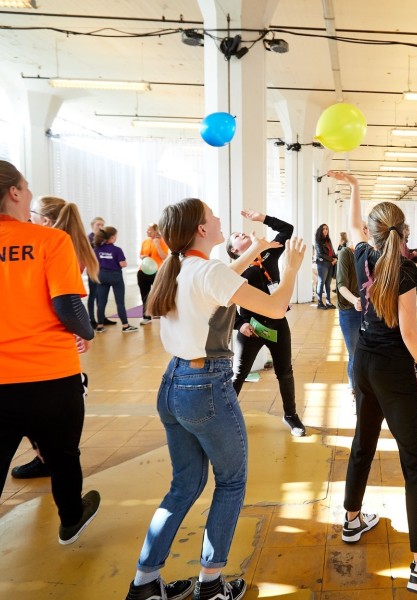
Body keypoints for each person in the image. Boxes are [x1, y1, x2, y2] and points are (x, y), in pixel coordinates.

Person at [123, 197, 306, 600]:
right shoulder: (206, 270)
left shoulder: (180, 267)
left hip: (173, 384)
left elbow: (221, 280)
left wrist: (255, 252)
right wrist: (291, 271)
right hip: (205, 385)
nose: (221, 218)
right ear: (202, 230)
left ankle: (145, 583)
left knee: (184, 486)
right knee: (231, 482)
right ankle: (210, 585)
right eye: (212, 215)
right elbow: (275, 307)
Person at [327, 170, 417, 597]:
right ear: (402, 231)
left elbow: (352, 226)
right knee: (416, 463)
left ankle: (351, 519)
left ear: (373, 230)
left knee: (363, 444)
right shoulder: (404, 269)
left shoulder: (363, 250)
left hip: (363, 362)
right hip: (396, 373)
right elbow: (409, 332)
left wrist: (354, 186)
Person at [0, 160, 100, 546]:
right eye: (25, 187)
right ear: (13, 192)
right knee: (62, 456)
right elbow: (68, 308)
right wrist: (87, 332)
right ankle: (71, 520)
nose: (27, 194)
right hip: (50, 375)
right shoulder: (49, 241)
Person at [11, 195, 100, 481]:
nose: (28, 216)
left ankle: (47, 461)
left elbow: (66, 302)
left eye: (33, 212)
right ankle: (47, 461)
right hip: (51, 347)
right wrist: (82, 331)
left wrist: (83, 330)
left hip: (41, 349)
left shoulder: (51, 244)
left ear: (46, 220)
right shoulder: (59, 244)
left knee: (36, 410)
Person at [226, 209, 306, 437]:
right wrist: (240, 324)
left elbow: (286, 230)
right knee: (239, 373)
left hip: (277, 322)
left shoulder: (269, 254)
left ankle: (291, 416)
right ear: (234, 251)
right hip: (251, 328)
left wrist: (262, 218)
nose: (244, 235)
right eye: (238, 237)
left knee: (285, 372)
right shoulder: (237, 270)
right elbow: (226, 304)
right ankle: (226, 416)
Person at [335, 221, 368, 409]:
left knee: (367, 353)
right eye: (361, 228)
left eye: (366, 229)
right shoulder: (346, 253)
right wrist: (355, 300)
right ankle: (355, 391)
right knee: (355, 354)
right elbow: (341, 286)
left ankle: (365, 390)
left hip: (368, 311)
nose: (364, 231)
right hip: (349, 311)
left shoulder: (371, 253)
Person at [93, 226, 137, 333]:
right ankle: (125, 326)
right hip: (115, 277)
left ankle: (100, 325)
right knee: (120, 303)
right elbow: (123, 264)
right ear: (112, 237)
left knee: (101, 303)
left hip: (102, 276)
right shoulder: (117, 250)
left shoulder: (97, 249)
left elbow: (94, 262)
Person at [138, 223, 168, 324]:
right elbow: (141, 254)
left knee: (159, 293)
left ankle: (162, 313)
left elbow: (164, 257)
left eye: (149, 230)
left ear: (156, 231)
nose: (147, 232)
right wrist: (143, 257)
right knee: (144, 294)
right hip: (142, 271)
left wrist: (157, 243)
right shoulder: (145, 242)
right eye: (147, 230)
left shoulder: (163, 241)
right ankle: (146, 317)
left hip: (156, 272)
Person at [87, 216, 112, 328]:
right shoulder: (88, 238)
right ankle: (91, 319)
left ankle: (102, 317)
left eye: (102, 225)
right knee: (93, 294)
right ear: (92, 225)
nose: (101, 227)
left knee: (101, 295)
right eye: (98, 224)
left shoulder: (103, 240)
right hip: (93, 270)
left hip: (103, 270)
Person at [314, 223, 336, 309]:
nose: (326, 230)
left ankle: (328, 302)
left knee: (328, 284)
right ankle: (319, 303)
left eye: (327, 229)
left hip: (330, 263)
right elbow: (320, 254)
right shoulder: (318, 240)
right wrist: (332, 259)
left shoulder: (328, 240)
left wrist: (335, 258)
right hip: (322, 263)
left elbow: (332, 251)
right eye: (323, 229)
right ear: (320, 230)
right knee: (321, 283)